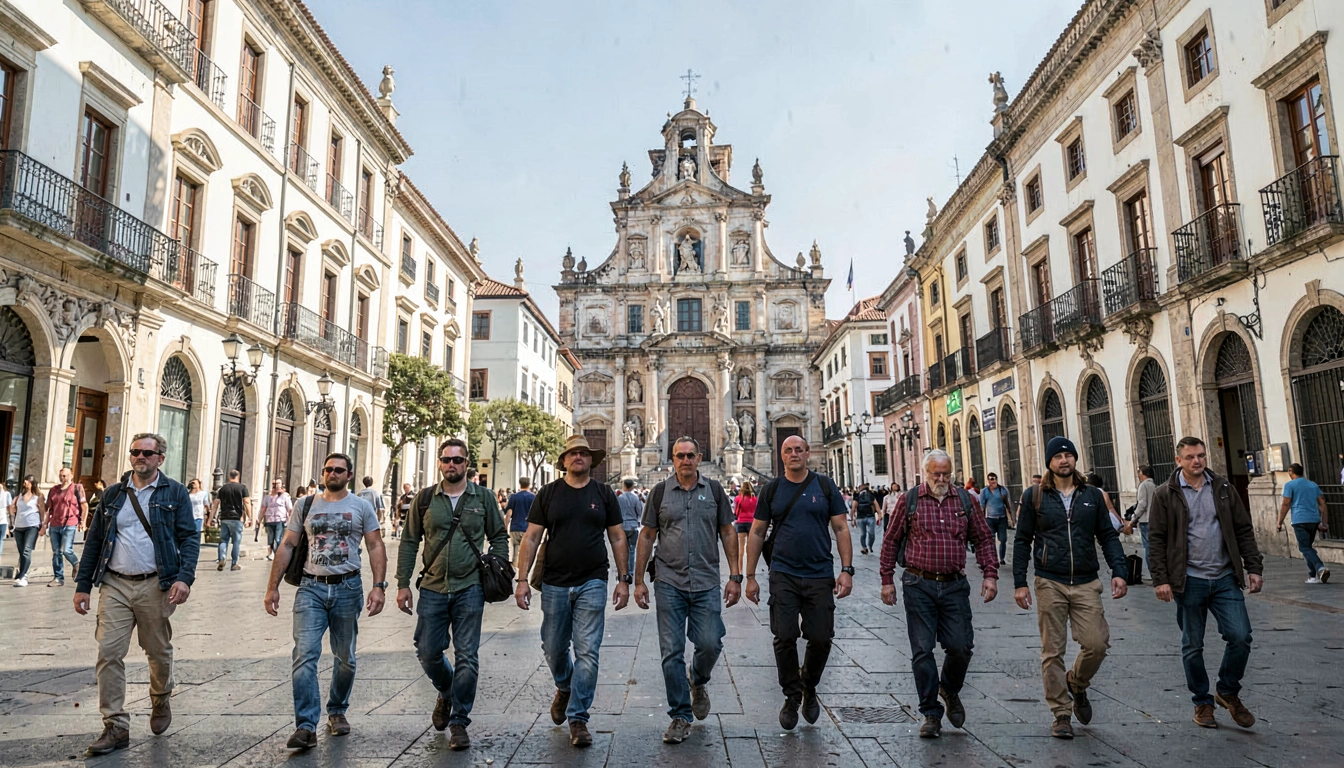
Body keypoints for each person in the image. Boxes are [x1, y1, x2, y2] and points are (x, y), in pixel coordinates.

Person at [74, 433, 197, 756]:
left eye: (147, 453)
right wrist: (82, 585)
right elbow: (95, 542)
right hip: (115, 583)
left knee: (158, 651)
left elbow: (189, 539)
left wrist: (184, 578)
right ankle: (115, 724)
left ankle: (160, 698)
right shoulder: (114, 494)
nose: (140, 457)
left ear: (160, 458)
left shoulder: (175, 492)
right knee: (108, 651)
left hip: (156, 584)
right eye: (135, 452)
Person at [264, 452, 387, 750]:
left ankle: (337, 710)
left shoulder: (360, 506)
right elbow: (288, 544)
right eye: (328, 469)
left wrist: (379, 586)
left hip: (347, 587)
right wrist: (272, 587)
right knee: (304, 655)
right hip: (311, 588)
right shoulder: (305, 504)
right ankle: (306, 726)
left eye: (339, 470)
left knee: (345, 657)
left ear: (349, 475)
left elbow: (374, 544)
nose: (332, 474)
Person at [513, 435, 629, 748]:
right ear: (563, 460)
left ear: (593, 460)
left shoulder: (603, 493)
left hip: (593, 579)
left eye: (584, 453)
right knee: (552, 647)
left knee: (588, 651)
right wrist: (522, 579)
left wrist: (623, 578)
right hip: (554, 581)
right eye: (573, 453)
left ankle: (578, 717)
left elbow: (617, 537)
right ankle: (565, 686)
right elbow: (532, 537)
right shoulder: (548, 493)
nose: (578, 457)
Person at [395, 438, 509, 751]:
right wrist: (402, 582)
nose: (451, 465)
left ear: (466, 463)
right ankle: (446, 690)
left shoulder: (483, 497)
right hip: (432, 586)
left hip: (470, 586)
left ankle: (459, 721)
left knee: (467, 656)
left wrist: (496, 566)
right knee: (427, 651)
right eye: (446, 460)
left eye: (457, 460)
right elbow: (408, 542)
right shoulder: (425, 498)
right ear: (440, 463)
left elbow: (499, 536)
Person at [1012, 437, 1129, 739]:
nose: (1064, 460)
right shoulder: (1035, 495)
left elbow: (1107, 535)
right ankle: (1061, 713)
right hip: (1049, 580)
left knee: (1097, 643)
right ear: (1049, 462)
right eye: (1058, 456)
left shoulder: (1091, 495)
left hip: (1087, 581)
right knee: (1052, 650)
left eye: (1069, 455)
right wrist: (1019, 583)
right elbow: (1022, 540)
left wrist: (1119, 571)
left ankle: (1076, 682)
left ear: (1075, 459)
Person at [880, 449, 998, 739]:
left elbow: (983, 539)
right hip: (918, 584)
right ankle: (931, 713)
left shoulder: (965, 500)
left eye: (946, 474)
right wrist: (886, 580)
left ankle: (949, 687)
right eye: (936, 474)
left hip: (955, 584)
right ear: (926, 473)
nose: (942, 479)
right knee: (922, 650)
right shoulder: (910, 501)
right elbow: (891, 540)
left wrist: (990, 574)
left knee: (961, 647)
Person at [1149, 436, 1264, 731]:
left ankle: (1227, 690)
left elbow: (1242, 529)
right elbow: (1157, 539)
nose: (1197, 461)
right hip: (1189, 581)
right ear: (1179, 461)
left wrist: (1253, 567)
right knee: (1192, 645)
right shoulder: (1165, 494)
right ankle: (1202, 702)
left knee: (1241, 636)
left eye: (1200, 455)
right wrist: (1160, 579)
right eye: (1189, 457)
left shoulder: (1223, 488)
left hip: (1225, 577)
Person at [633, 437, 740, 744]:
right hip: (669, 581)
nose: (686, 460)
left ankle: (699, 678)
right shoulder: (659, 492)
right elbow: (647, 535)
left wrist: (735, 575)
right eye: (680, 455)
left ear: (699, 457)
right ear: (672, 458)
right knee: (671, 652)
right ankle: (680, 716)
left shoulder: (715, 490)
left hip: (706, 580)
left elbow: (728, 531)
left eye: (691, 455)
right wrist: (639, 579)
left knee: (710, 642)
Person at [743, 435, 853, 731]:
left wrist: (847, 569)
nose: (794, 454)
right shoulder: (772, 489)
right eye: (788, 450)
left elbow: (841, 526)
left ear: (807, 454)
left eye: (799, 450)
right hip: (783, 573)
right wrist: (749, 576)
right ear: (782, 456)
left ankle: (809, 684)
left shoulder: (825, 486)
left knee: (821, 638)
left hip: (819, 574)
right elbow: (756, 532)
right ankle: (792, 695)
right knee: (785, 636)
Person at [1277, 463, 1329, 583]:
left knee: (1304, 547)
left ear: (1291, 472)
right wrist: (1324, 522)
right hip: (1314, 520)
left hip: (1299, 520)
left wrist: (1279, 522)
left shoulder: (1289, 485)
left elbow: (1285, 504)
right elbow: (1323, 504)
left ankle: (1320, 568)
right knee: (1308, 548)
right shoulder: (1313, 485)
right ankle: (1312, 575)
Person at [45, 467, 88, 587]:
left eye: (65, 476)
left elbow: (84, 506)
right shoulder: (54, 490)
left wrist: (83, 521)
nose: (62, 478)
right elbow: (49, 508)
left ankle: (76, 564)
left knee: (66, 550)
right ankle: (58, 578)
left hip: (70, 522)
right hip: (54, 524)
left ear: (71, 476)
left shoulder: (77, 488)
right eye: (61, 476)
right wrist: (44, 524)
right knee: (56, 552)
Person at [208, 470, 251, 571]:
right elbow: (247, 502)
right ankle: (234, 563)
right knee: (236, 541)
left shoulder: (223, 489)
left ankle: (222, 558)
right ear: (238, 476)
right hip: (237, 518)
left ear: (228, 476)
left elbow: (215, 504)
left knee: (223, 540)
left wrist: (210, 519)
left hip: (224, 518)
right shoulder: (242, 488)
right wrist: (250, 517)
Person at [1122, 466, 1157, 579]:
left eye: (1139, 472)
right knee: (1156, 547)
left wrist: (1133, 520)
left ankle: (1153, 574)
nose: (1138, 474)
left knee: (1148, 548)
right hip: (1156, 520)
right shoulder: (1155, 486)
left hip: (1146, 520)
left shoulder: (1144, 485)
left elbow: (1142, 504)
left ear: (1143, 473)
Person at [10, 476, 43, 587]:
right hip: (19, 526)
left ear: (32, 483)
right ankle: (21, 573)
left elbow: (42, 511)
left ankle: (23, 576)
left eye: (28, 480)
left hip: (32, 526)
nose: (25, 482)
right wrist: (12, 510)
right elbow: (13, 510)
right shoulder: (19, 496)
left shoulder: (38, 497)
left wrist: (43, 525)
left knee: (26, 550)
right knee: (21, 552)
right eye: (25, 480)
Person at [503, 478, 535, 572]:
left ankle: (514, 572)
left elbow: (509, 514)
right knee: (526, 552)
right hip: (527, 528)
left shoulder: (513, 497)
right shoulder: (533, 497)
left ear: (519, 484)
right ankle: (523, 574)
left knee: (516, 551)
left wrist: (505, 527)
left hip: (515, 528)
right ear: (529, 485)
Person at [979, 472, 1013, 562]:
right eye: (990, 479)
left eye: (994, 479)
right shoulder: (984, 491)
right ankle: (994, 557)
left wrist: (1012, 518)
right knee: (991, 538)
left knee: (1003, 539)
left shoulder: (1003, 490)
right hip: (990, 518)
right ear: (988, 480)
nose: (992, 481)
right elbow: (982, 506)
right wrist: (982, 521)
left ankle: (1002, 558)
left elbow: (1008, 504)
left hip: (1002, 518)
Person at [259, 479, 294, 561]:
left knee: (278, 538)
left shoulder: (285, 496)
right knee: (270, 538)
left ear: (282, 484)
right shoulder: (268, 497)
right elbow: (263, 508)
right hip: (270, 519)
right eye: (274, 483)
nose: (276, 485)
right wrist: (259, 519)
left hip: (280, 519)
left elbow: (290, 508)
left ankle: (277, 554)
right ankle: (271, 553)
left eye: (278, 483)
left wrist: (291, 519)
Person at [617, 478, 643, 581]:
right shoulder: (636, 498)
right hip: (632, 525)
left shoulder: (619, 498)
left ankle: (622, 573)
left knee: (622, 551)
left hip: (623, 526)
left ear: (624, 486)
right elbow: (640, 511)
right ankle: (631, 573)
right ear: (632, 486)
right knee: (632, 550)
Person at [733, 481, 757, 568]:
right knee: (750, 548)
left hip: (740, 522)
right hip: (751, 523)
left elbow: (735, 511)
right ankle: (749, 568)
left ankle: (740, 569)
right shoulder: (754, 499)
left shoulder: (738, 499)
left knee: (741, 548)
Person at [850, 483, 878, 555]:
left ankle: (870, 546)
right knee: (863, 534)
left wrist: (879, 514)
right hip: (860, 517)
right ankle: (864, 548)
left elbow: (876, 505)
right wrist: (852, 519)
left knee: (871, 533)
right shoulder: (857, 496)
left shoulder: (870, 495)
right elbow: (853, 508)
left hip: (870, 516)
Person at [0, 479, 11, 572]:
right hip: (3, 520)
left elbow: (9, 507)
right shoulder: (6, 494)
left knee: (0, 539)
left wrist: (9, 524)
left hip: (3, 520)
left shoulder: (6, 494)